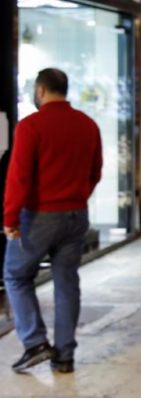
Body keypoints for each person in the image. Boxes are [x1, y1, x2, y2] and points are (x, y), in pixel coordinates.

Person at [4, 69, 101, 374]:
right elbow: (96, 171)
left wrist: (9, 217)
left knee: (16, 275)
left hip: (40, 215)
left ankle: (35, 343)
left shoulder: (31, 125)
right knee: (67, 282)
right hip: (76, 214)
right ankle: (64, 356)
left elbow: (18, 177)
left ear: (41, 89)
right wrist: (79, 195)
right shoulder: (88, 124)